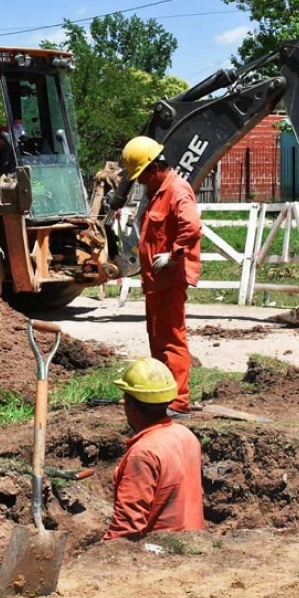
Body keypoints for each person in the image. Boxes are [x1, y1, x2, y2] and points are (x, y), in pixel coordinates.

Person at [120, 135, 203, 418]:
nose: (141, 182)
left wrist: (174, 255)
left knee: (171, 339)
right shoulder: (156, 192)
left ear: (155, 167)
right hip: (155, 282)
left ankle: (178, 400)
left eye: (142, 175)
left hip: (169, 280)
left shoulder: (177, 190)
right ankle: (161, 395)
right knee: (157, 337)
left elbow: (191, 227)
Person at [102, 357, 204, 541]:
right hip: (195, 544)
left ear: (131, 406)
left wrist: (100, 555)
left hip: (161, 555)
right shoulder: (186, 436)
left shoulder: (142, 454)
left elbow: (126, 527)